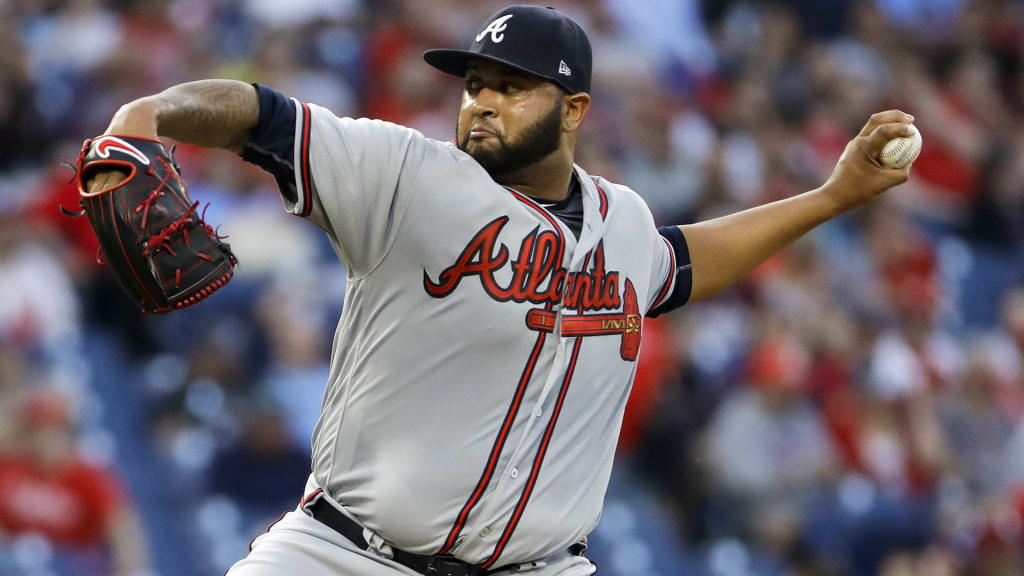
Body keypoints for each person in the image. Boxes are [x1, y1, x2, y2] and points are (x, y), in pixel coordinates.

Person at [84, 5, 914, 576]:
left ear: (575, 107)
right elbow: (255, 113)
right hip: (347, 555)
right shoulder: (405, 173)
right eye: (475, 83)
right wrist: (148, 114)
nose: (481, 103)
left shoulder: (622, 222)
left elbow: (681, 264)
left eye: (511, 86)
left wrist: (832, 199)